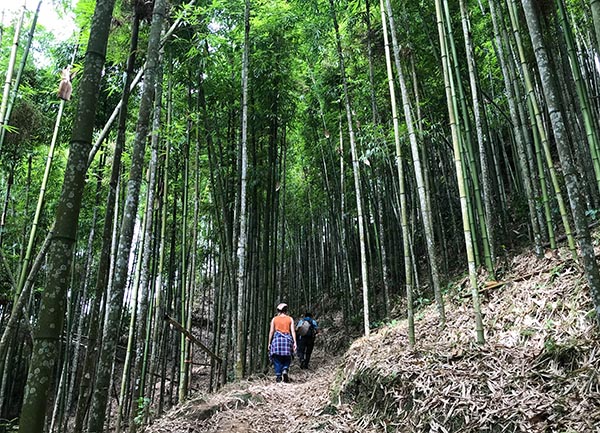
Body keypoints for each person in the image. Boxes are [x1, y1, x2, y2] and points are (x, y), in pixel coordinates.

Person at [268, 303, 297, 383]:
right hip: (287, 340)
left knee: (277, 359)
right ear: (286, 310)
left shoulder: (274, 319)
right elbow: (293, 331)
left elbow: (271, 332)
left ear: (278, 311)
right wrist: (295, 342)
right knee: (287, 357)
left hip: (277, 340)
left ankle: (278, 376)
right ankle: (285, 369)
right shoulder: (290, 319)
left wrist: (269, 343)